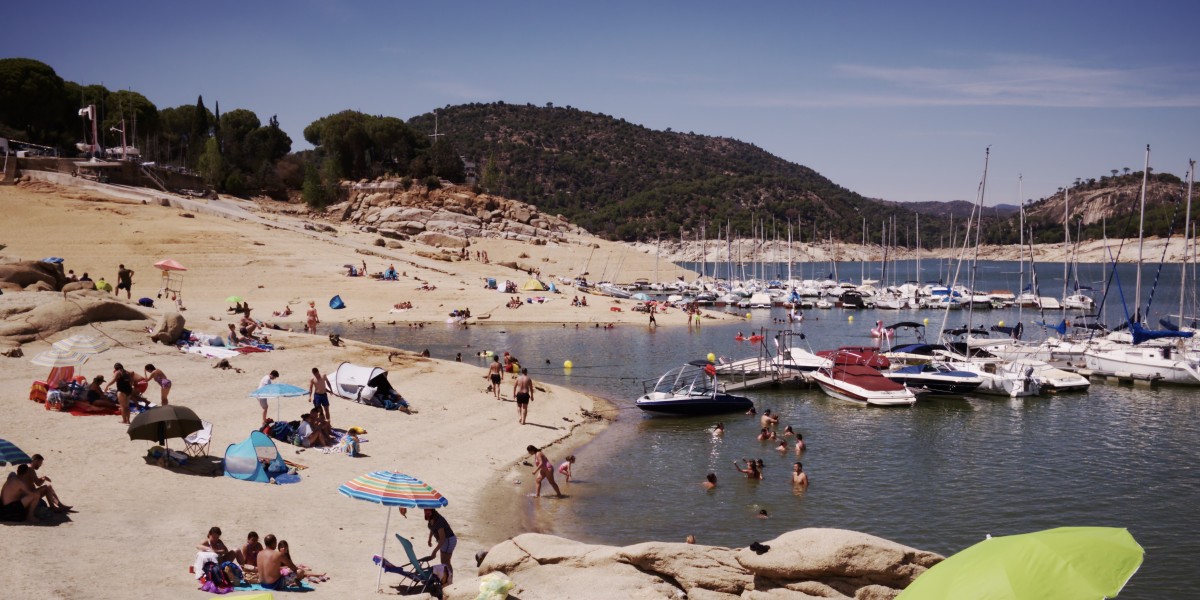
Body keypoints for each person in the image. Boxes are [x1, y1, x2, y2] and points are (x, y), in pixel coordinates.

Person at [423, 508, 457, 582]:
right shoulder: (431, 518)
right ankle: (448, 579)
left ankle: (449, 580)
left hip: (449, 540)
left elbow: (442, 539)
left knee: (446, 562)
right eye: (425, 510)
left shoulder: (439, 520)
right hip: (444, 541)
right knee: (443, 562)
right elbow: (432, 529)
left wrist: (434, 551)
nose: (426, 512)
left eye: (428, 510)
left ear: (432, 511)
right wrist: (429, 539)